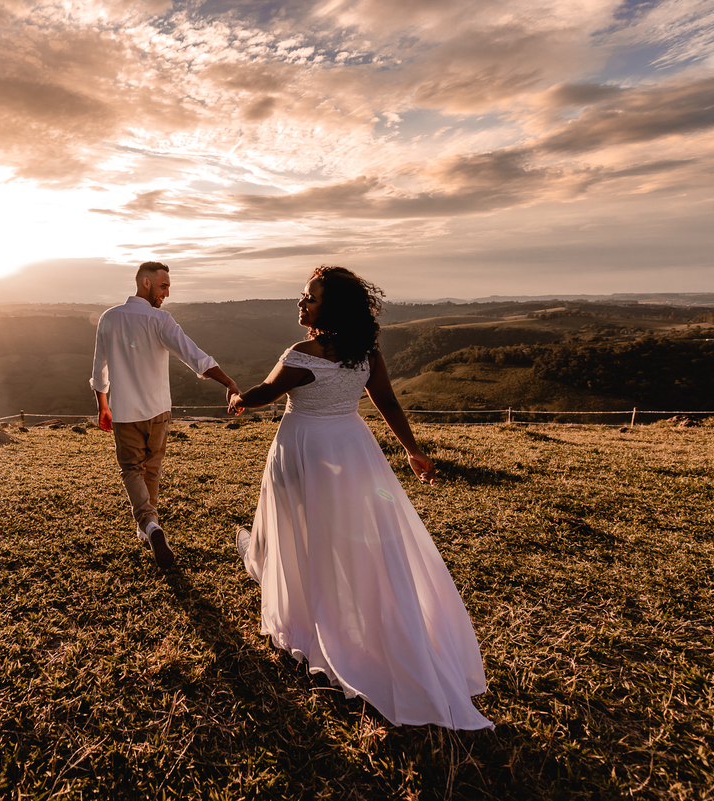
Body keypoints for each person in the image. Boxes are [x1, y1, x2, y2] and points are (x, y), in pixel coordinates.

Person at [229, 266, 493, 729]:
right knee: (347, 534)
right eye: (303, 295)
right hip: (352, 448)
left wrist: (237, 400)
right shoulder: (366, 352)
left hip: (305, 448)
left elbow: (267, 392)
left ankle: (309, 610)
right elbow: (386, 402)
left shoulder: (302, 354)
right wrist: (412, 451)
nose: (301, 303)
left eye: (310, 298)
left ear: (330, 308)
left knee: (297, 526)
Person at [91, 261, 239, 570]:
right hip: (158, 411)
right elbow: (194, 356)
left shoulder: (109, 318)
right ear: (145, 283)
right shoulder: (160, 320)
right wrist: (228, 382)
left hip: (125, 412)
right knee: (152, 469)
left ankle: (149, 524)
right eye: (163, 286)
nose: (166, 294)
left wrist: (103, 405)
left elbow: (99, 369)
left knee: (132, 469)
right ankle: (149, 524)